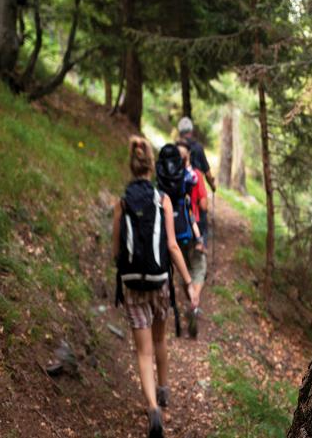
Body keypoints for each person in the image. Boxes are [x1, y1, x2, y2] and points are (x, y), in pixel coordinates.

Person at [113, 136, 195, 438]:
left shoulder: (121, 203)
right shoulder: (163, 200)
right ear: (152, 167)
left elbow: (115, 253)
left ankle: (152, 409)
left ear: (131, 165)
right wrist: (187, 283)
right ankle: (163, 390)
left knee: (143, 352)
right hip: (160, 283)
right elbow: (172, 245)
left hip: (132, 284)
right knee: (160, 341)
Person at [177, 140, 208, 337]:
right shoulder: (195, 176)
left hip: (176, 232)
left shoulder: (170, 176)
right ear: (188, 156)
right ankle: (194, 301)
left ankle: (189, 297)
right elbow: (204, 205)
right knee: (199, 268)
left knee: (184, 270)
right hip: (193, 227)